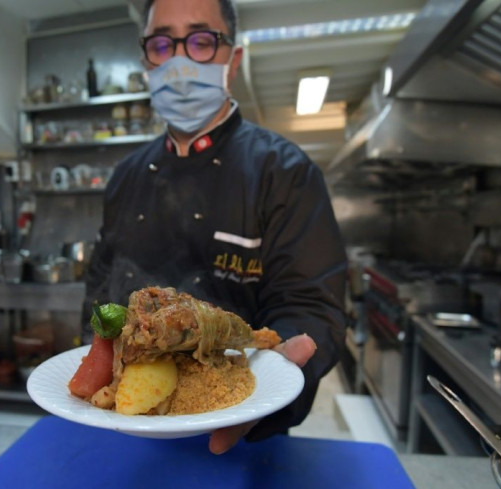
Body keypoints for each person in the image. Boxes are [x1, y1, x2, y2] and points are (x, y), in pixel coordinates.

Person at [84, 0, 348, 455]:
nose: (180, 61)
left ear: (234, 60)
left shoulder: (285, 172)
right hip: (125, 431)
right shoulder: (125, 175)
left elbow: (310, 306)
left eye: (202, 41)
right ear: (147, 59)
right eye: (162, 43)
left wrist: (275, 387)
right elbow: (100, 285)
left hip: (242, 427)